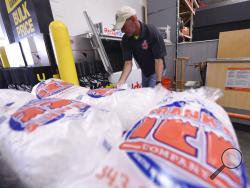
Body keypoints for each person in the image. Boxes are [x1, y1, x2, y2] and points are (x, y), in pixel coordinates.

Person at [113, 6, 167, 88]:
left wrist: (158, 82)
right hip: (145, 71)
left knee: (152, 95)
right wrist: (121, 82)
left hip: (157, 69)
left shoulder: (151, 32)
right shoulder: (126, 39)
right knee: (144, 94)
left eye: (123, 26)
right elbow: (128, 63)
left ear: (133, 19)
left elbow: (158, 60)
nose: (122, 31)